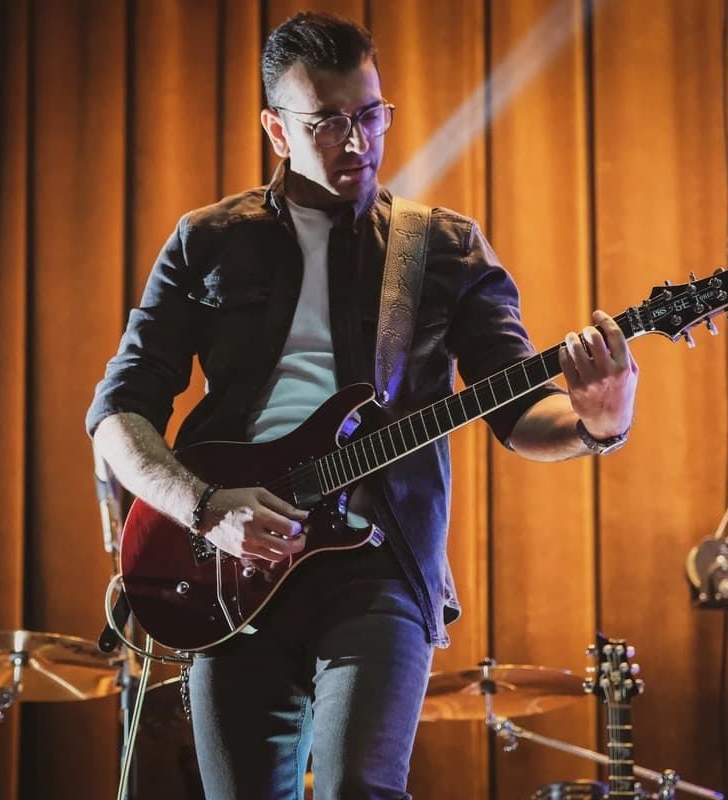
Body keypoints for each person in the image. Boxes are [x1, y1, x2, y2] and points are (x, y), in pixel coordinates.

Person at [86, 11, 638, 799]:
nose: (358, 141)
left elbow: (517, 414)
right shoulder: (207, 240)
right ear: (276, 130)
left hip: (382, 558)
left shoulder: (441, 247)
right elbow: (119, 414)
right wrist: (207, 509)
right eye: (329, 122)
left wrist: (600, 419)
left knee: (359, 789)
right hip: (228, 559)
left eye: (370, 114)